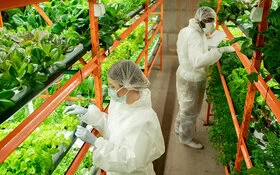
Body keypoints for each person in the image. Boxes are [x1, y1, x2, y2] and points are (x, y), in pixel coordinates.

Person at [64, 60, 165, 175]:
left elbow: (131, 161)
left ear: (127, 87)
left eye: (112, 86)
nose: (110, 90)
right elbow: (114, 126)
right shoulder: (121, 102)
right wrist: (87, 113)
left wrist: (96, 142)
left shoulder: (145, 120)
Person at [175, 7, 235, 149]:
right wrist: (219, 51)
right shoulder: (195, 35)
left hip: (184, 73)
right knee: (191, 111)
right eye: (211, 21)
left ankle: (179, 129)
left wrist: (209, 45)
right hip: (192, 78)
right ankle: (185, 138)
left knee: (184, 105)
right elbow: (197, 61)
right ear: (203, 20)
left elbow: (192, 51)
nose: (213, 25)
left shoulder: (188, 30)